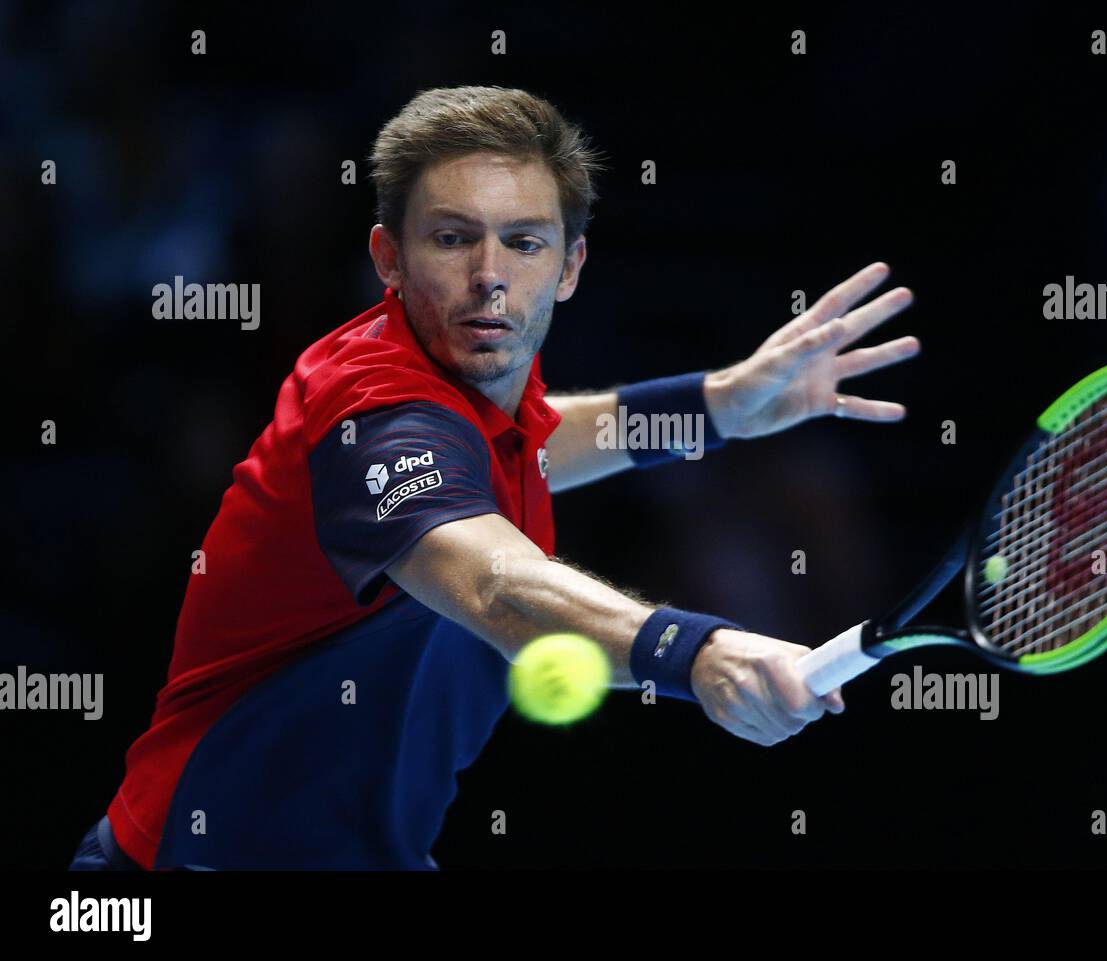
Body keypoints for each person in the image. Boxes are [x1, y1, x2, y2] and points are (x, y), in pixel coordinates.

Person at [71, 85, 919, 870]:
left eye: (524, 242)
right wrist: (695, 650)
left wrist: (718, 406)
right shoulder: (375, 410)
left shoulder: (479, 385)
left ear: (571, 265)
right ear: (389, 257)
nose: (490, 274)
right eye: (451, 237)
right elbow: (494, 586)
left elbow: (536, 446)